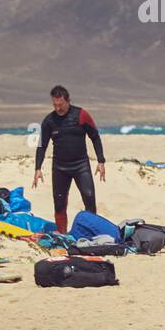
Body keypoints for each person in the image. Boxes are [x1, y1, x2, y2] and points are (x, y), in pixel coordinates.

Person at [32, 85, 105, 233]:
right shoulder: (49, 120)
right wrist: (38, 168)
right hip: (60, 167)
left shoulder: (81, 115)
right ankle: (62, 235)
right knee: (59, 204)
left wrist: (101, 161)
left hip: (81, 165)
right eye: (55, 105)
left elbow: (95, 137)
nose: (58, 108)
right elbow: (41, 145)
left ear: (68, 101)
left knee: (89, 197)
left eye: (61, 104)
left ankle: (91, 233)